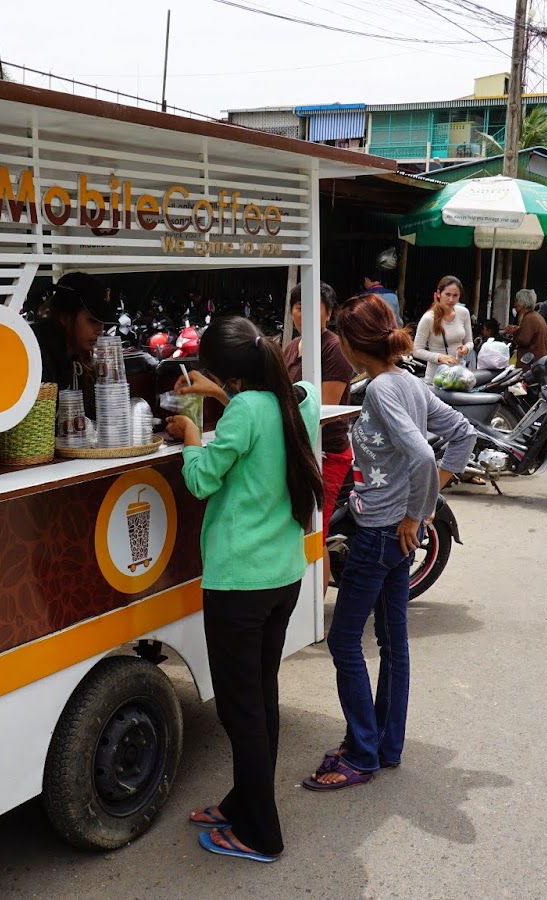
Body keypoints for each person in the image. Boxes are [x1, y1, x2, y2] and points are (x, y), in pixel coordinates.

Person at [167, 316, 322, 864]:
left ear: (228, 375)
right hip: (281, 575)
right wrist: (220, 393)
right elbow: (257, 414)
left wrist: (189, 436)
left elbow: (202, 479)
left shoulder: (245, 414)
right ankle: (243, 801)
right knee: (261, 695)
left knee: (240, 711)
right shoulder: (294, 398)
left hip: (240, 582)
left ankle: (261, 832)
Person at [303, 293, 474, 791]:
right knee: (392, 640)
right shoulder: (408, 382)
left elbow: (423, 455)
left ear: (356, 344)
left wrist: (416, 512)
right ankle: (385, 744)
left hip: (380, 532)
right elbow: (460, 434)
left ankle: (360, 754)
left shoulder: (380, 390)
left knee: (343, 640)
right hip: (396, 534)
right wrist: (417, 514)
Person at [283, 283, 354, 538]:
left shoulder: (334, 348)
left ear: (328, 314)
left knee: (314, 534)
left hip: (327, 451)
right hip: (297, 448)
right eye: (300, 308)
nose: (305, 315)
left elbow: (321, 413)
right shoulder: (292, 347)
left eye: (314, 309)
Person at [32, 272, 111, 398]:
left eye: (102, 323)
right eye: (93, 321)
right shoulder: (36, 354)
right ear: (65, 318)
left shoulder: (78, 358)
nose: (100, 330)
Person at [412, 276, 474, 383]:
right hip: (436, 378)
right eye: (447, 294)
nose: (451, 299)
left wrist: (466, 349)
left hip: (459, 375)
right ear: (439, 294)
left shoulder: (464, 313)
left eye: (455, 295)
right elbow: (416, 351)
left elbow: (469, 341)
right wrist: (439, 357)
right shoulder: (428, 318)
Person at [507, 289, 547, 361]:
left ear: (523, 303)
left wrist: (514, 332)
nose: (515, 304)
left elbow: (523, 341)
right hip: (538, 360)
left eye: (517, 301)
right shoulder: (534, 316)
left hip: (531, 362)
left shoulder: (530, 319)